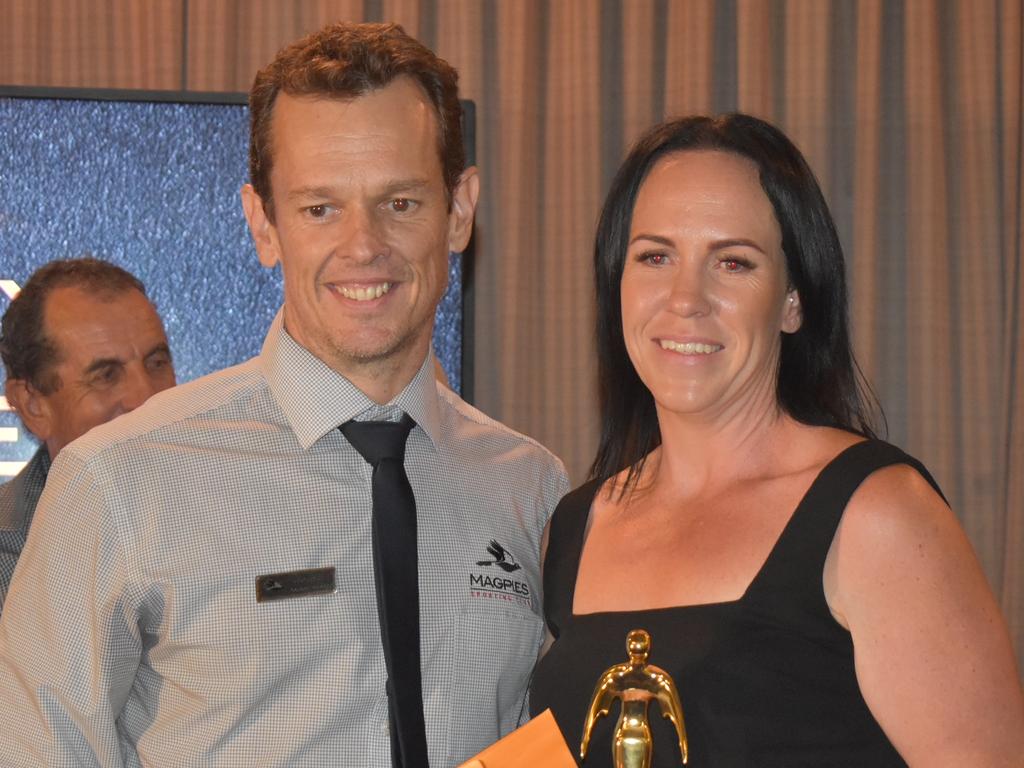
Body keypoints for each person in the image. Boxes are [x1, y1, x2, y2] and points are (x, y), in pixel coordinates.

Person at [0, 22, 567, 768]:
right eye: (320, 208)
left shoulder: (530, 487)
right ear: (263, 224)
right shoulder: (116, 483)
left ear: (459, 211)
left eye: (400, 203)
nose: (363, 246)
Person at [530, 114, 1024, 766]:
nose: (686, 298)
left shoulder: (876, 514)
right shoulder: (575, 525)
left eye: (732, 262)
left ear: (793, 300)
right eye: (655, 256)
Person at [0, 258, 176, 613]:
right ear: (33, 405)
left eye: (156, 363)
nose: (146, 397)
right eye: (106, 375)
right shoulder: (9, 556)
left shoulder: (243, 512)